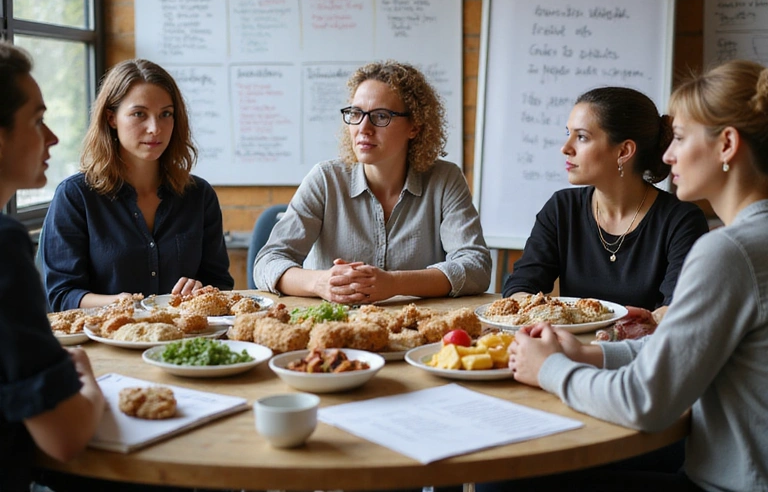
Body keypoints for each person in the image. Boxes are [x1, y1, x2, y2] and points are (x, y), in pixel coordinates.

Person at [508, 60, 768, 491]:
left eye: (680, 138)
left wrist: (550, 368)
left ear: (726, 144)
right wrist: (591, 354)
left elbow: (645, 401)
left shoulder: (728, 251)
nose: (666, 155)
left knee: (512, 480)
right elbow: (682, 349)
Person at [254, 60, 491, 304]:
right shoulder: (325, 179)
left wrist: (395, 284)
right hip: (333, 323)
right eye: (356, 114)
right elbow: (267, 263)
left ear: (415, 127)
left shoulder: (445, 180)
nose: (363, 128)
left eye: (381, 116)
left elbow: (476, 267)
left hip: (416, 323)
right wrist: (319, 282)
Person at [41, 59, 234, 311]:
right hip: (105, 333)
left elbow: (220, 283)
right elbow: (62, 295)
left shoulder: (199, 195)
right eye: (139, 114)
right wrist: (122, 304)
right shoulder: (75, 196)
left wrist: (202, 289)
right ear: (111, 118)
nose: (155, 128)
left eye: (166, 114)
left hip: (184, 333)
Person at [502, 87, 709, 315]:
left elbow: (677, 311)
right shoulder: (562, 208)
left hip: (647, 340)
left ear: (624, 151)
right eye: (568, 133)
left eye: (581, 137)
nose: (566, 148)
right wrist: (535, 312)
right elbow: (520, 285)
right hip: (567, 338)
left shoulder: (682, 220)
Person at [0, 41, 105, 491]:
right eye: (37, 120)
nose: (53, 138)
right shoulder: (4, 246)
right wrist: (88, 383)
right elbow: (65, 436)